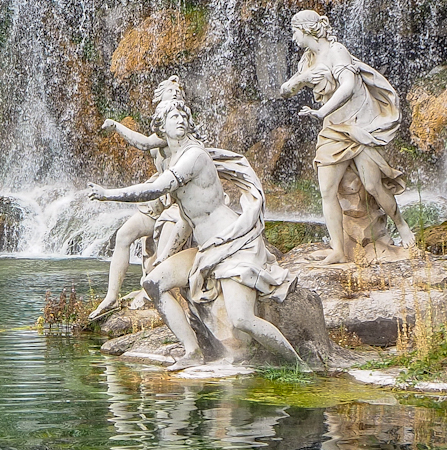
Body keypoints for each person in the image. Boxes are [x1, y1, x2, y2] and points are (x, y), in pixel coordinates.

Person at [89, 77, 300, 371]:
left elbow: (155, 190)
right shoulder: (172, 155)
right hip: (206, 248)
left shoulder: (194, 156)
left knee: (243, 320)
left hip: (232, 244)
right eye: (171, 116)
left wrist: (108, 195)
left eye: (182, 115)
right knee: (153, 282)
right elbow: (188, 219)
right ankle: (191, 351)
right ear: (160, 126)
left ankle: (301, 367)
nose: (179, 119)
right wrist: (164, 257)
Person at [273, 10, 414, 262]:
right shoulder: (307, 60)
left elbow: (347, 87)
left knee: (372, 185)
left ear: (307, 30)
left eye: (295, 32)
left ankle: (401, 224)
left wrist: (320, 111)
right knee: (327, 190)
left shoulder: (337, 51)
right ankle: (338, 250)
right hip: (333, 129)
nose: (293, 38)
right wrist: (302, 79)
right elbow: (285, 89)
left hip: (358, 127)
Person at [86, 116, 189, 323]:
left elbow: (144, 144)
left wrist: (116, 126)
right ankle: (111, 297)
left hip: (179, 206)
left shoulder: (182, 136)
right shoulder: (164, 130)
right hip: (160, 200)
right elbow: (147, 143)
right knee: (124, 235)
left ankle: (161, 297)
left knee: (163, 253)